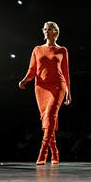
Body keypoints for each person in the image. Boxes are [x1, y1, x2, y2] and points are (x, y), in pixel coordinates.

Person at [19, 21, 71, 165]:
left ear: (56, 32)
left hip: (58, 86)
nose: (47, 31)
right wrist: (24, 80)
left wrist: (69, 92)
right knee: (47, 119)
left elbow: (66, 73)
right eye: (46, 29)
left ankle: (43, 152)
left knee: (51, 115)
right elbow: (32, 69)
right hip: (41, 87)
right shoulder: (37, 49)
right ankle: (55, 150)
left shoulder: (62, 50)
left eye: (50, 29)